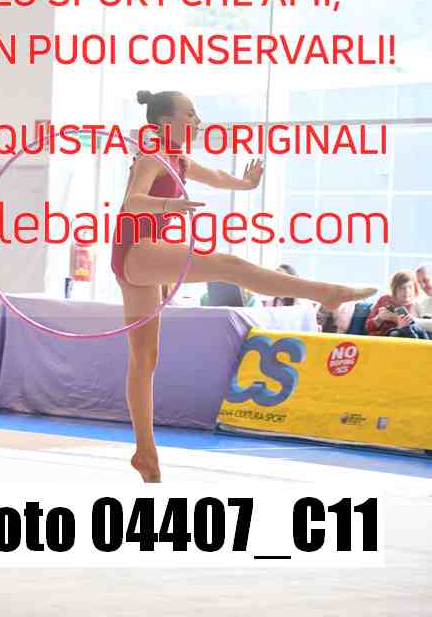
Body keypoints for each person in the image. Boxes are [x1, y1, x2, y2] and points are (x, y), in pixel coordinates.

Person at [111, 90, 378, 483]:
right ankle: (323, 292)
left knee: (144, 359)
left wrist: (246, 184)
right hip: (137, 249)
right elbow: (133, 201)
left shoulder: (179, 159)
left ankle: (145, 454)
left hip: (140, 254)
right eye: (191, 114)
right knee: (230, 266)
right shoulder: (153, 156)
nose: (198, 121)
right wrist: (169, 207)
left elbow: (216, 177)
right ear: (166, 123)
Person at [365, 270, 430, 340]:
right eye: (402, 288)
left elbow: (419, 333)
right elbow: (368, 328)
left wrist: (399, 322)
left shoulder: (418, 304)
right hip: (378, 340)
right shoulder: (385, 300)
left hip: (401, 340)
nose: (407, 291)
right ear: (394, 289)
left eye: (410, 287)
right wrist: (379, 319)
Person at [415, 264, 432, 334]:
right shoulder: (418, 303)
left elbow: (413, 322)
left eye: (425, 280)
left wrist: (414, 320)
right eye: (419, 282)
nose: (422, 286)